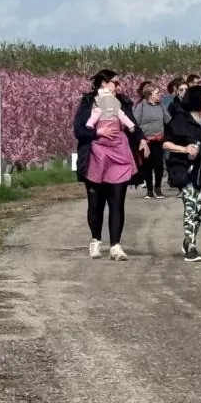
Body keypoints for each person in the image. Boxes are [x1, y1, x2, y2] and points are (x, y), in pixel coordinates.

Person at [73, 70, 147, 261]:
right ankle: (96, 240)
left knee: (117, 201)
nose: (119, 86)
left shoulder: (122, 103)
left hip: (119, 154)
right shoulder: (89, 103)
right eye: (115, 82)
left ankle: (115, 246)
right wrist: (98, 133)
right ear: (104, 84)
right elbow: (79, 130)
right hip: (95, 155)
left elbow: (132, 125)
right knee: (95, 203)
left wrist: (141, 140)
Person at [163, 85, 201, 262]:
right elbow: (165, 143)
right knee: (190, 206)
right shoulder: (180, 120)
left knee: (199, 210)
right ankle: (191, 246)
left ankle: (188, 240)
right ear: (197, 99)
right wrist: (184, 149)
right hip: (184, 171)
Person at [132, 81, 170, 199]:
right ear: (150, 94)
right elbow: (135, 123)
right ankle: (149, 190)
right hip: (146, 141)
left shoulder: (161, 106)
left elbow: (168, 119)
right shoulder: (141, 106)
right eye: (157, 93)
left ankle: (157, 188)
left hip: (158, 140)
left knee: (159, 165)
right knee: (147, 165)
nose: (159, 95)